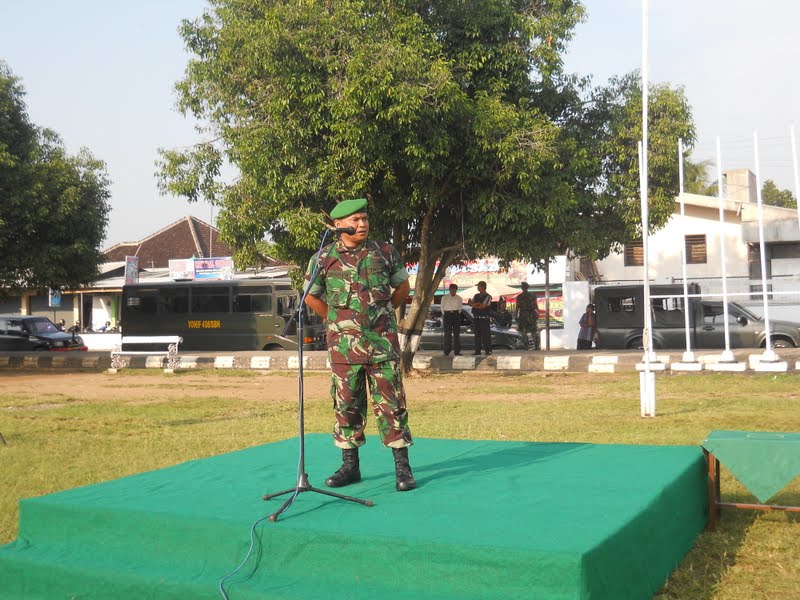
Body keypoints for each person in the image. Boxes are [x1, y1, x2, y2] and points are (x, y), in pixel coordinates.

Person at [304, 198, 415, 492]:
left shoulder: (384, 252)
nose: (362, 224)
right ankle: (350, 467)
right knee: (346, 405)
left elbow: (402, 287)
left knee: (392, 405)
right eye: (355, 219)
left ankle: (403, 468)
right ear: (338, 224)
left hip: (382, 345)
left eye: (365, 218)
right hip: (343, 348)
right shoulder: (323, 257)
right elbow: (311, 295)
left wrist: (383, 315)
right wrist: (336, 321)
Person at [468, 281, 492, 355]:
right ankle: (477, 350)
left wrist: (475, 305)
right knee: (477, 335)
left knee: (485, 335)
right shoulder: (476, 295)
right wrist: (477, 304)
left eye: (479, 286)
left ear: (483, 287)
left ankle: (487, 350)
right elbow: (470, 303)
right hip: (476, 318)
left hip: (484, 318)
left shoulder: (488, 296)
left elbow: (483, 306)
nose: (478, 288)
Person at [514, 282, 540, 350]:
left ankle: (526, 346)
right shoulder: (533, 295)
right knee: (534, 331)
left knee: (523, 332)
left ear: (522, 288)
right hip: (531, 315)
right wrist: (538, 313)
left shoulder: (519, 297)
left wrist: (516, 316)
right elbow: (535, 305)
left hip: (523, 315)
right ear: (528, 287)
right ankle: (537, 346)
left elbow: (517, 307)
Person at [440, 283, 463, 356]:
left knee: (457, 334)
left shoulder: (459, 298)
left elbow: (460, 308)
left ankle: (457, 351)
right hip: (447, 314)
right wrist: (446, 314)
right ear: (449, 289)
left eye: (454, 290)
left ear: (456, 290)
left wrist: (456, 314)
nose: (453, 291)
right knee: (447, 333)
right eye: (452, 289)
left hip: (456, 314)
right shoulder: (444, 297)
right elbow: (442, 307)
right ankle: (446, 351)